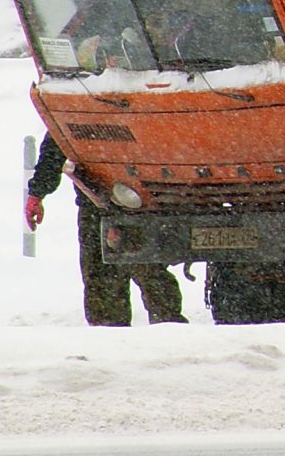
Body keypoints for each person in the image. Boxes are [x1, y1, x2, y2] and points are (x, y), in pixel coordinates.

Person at [25, 133, 186, 326]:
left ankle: (165, 331)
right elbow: (56, 143)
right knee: (132, 273)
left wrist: (37, 192)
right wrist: (38, 191)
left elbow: (56, 143)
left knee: (133, 272)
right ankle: (150, 331)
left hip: (127, 199)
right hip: (115, 200)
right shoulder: (76, 110)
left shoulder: (79, 109)